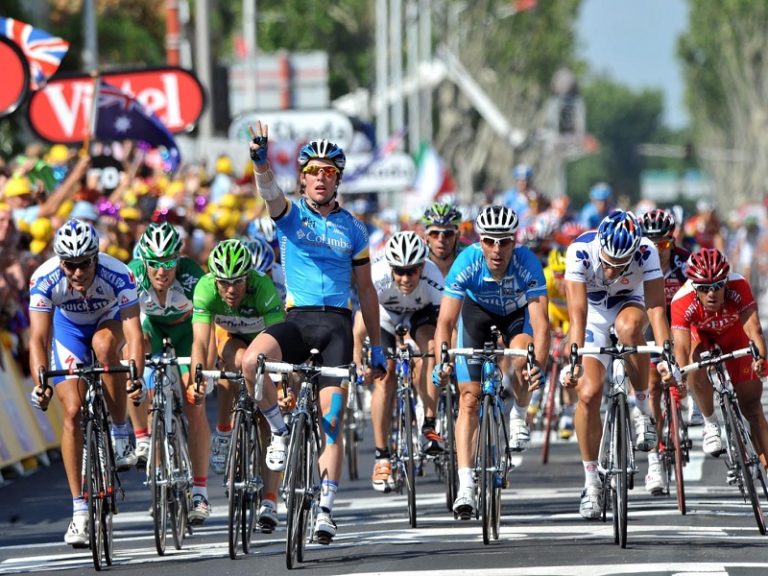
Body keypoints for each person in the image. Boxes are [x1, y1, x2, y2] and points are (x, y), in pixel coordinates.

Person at [241, 123, 387, 545]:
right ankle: (280, 431)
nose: (321, 177)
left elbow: (366, 292)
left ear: (337, 179)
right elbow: (268, 192)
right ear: (302, 176)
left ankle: (325, 508)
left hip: (338, 325)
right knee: (252, 362)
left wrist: (375, 347)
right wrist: (260, 161)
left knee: (332, 422)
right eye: (313, 171)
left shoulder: (355, 230)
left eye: (329, 171)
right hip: (298, 319)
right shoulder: (290, 216)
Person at [28, 218, 145, 546]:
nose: (78, 273)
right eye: (70, 265)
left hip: (109, 322)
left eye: (84, 264)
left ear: (96, 257)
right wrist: (42, 382)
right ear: (60, 262)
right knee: (73, 412)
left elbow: (134, 334)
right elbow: (38, 337)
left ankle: (121, 431)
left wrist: (134, 375)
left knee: (105, 347)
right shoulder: (44, 278)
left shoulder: (119, 274)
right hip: (69, 332)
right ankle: (80, 511)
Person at [432, 205, 548, 519]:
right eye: (490, 241)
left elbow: (541, 323)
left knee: (524, 359)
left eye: (505, 241)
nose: (497, 250)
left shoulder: (527, 263)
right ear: (480, 241)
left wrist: (537, 364)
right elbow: (445, 321)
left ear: (515, 241)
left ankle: (519, 415)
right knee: (469, 399)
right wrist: (443, 358)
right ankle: (466, 485)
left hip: (516, 316)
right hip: (476, 314)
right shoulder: (466, 262)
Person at [560, 209, 672, 520]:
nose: (611, 271)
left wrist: (665, 356)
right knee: (588, 394)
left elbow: (657, 309)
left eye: (620, 265)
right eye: (608, 262)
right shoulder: (579, 251)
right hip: (593, 318)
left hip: (629, 306)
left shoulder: (647, 251)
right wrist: (574, 361)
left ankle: (642, 408)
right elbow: (577, 314)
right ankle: (592, 481)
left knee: (628, 329)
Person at [187, 238, 285, 527]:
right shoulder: (204, 289)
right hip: (232, 340)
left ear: (249, 277)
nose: (231, 291)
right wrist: (197, 378)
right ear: (214, 279)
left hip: (265, 341)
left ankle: (270, 500)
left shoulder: (264, 287)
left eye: (238, 283)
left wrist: (282, 384)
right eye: (224, 283)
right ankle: (225, 430)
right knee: (232, 361)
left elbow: (280, 340)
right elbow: (200, 342)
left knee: (268, 416)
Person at [126, 222, 213, 523]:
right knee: (132, 362)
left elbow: (205, 333)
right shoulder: (133, 274)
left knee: (195, 404)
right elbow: (129, 329)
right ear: (144, 261)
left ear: (178, 259)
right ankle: (143, 438)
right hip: (152, 331)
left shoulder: (193, 277)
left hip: (188, 334)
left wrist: (203, 372)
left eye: (168, 263)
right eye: (154, 264)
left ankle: (200, 491)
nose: (161, 272)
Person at [665, 248, 768, 470]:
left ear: (726, 282)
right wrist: (680, 380)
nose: (712, 293)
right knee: (694, 363)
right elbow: (681, 348)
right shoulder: (681, 300)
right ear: (694, 286)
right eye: (704, 288)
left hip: (734, 336)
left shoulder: (739, 285)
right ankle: (710, 422)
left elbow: (754, 328)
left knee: (752, 407)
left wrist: (760, 358)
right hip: (701, 339)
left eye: (717, 286)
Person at [361, 231, 444, 493]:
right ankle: (381, 455)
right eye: (400, 271)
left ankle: (429, 425)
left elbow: (447, 325)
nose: (406, 278)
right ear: (391, 268)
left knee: (429, 350)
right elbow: (358, 328)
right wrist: (360, 362)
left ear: (422, 267)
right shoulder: (379, 277)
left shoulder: (433, 276)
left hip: (421, 316)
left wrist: (445, 359)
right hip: (385, 319)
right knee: (385, 376)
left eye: (412, 271)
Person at [638, 208, 695, 495]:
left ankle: (686, 393)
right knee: (651, 384)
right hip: (650, 321)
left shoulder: (684, 262)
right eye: (650, 243)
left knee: (687, 352)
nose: (657, 250)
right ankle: (655, 457)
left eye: (663, 244)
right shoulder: (635, 262)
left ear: (672, 241)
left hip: (679, 320)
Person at [421, 202, 463, 278]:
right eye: (435, 234)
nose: (441, 239)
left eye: (448, 234)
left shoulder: (468, 261)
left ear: (457, 236)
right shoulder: (419, 265)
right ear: (426, 237)